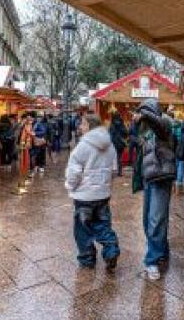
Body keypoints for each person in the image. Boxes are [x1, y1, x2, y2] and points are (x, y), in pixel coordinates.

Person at [65, 114, 120, 271]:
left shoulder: (82, 146)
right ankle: (111, 249)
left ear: (89, 125)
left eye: (82, 124)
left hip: (84, 196)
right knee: (103, 224)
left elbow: (74, 173)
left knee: (82, 229)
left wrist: (70, 186)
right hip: (103, 194)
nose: (80, 127)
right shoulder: (110, 145)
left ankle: (87, 259)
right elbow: (114, 170)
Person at [134, 99, 176, 281]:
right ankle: (162, 251)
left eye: (144, 112)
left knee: (155, 219)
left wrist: (144, 114)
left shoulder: (164, 122)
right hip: (151, 178)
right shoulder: (147, 130)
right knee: (149, 219)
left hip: (161, 178)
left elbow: (158, 125)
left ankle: (152, 262)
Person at [108, 111, 128, 177]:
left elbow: (110, 134)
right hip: (120, 143)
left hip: (113, 143)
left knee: (111, 158)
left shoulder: (112, 124)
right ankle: (119, 172)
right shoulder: (122, 124)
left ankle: (111, 172)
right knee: (119, 158)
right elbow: (126, 133)